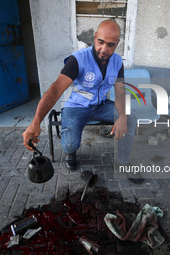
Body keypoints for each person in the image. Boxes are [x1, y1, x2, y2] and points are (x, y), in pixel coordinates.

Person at [22, 19, 144, 184]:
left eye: (110, 45)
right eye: (100, 42)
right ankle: (70, 152)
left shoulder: (117, 62)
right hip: (76, 107)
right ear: (95, 37)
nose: (104, 49)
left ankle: (122, 161)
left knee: (130, 117)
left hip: (100, 106)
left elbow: (120, 93)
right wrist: (36, 121)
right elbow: (56, 88)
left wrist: (122, 116)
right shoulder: (78, 59)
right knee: (71, 144)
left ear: (118, 44)